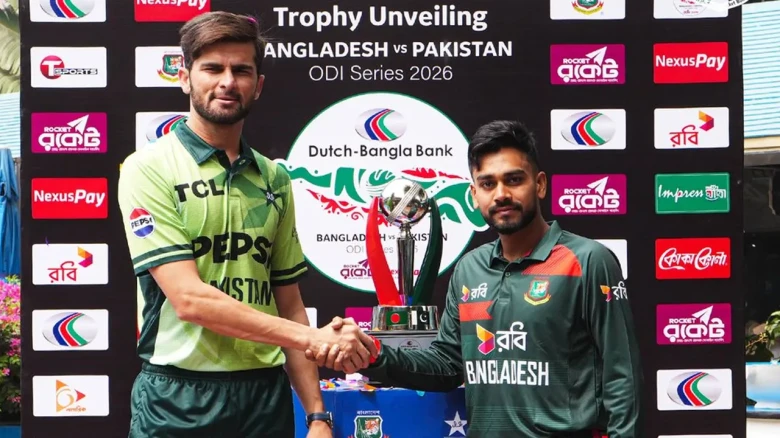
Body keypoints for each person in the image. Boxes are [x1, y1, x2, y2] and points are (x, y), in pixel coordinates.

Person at [117, 12, 377, 438]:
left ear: (258, 85)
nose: (227, 82)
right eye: (212, 68)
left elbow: (288, 302)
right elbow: (189, 299)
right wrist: (310, 338)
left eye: (241, 70)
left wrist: (317, 415)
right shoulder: (149, 168)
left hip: (264, 397)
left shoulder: (274, 178)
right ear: (184, 78)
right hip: (179, 396)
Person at [307, 120, 644, 437]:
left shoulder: (587, 260)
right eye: (488, 183)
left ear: (540, 184)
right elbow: (446, 365)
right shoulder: (470, 269)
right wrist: (374, 356)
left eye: (514, 180)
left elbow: (622, 377)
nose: (501, 194)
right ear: (473, 194)